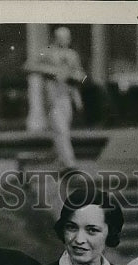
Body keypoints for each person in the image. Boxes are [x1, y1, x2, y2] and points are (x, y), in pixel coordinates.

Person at [25, 26, 86, 172]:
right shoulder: (47, 53)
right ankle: (69, 164)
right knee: (61, 130)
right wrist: (50, 71)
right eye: (62, 37)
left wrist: (76, 84)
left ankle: (58, 160)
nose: (66, 40)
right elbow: (28, 66)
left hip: (67, 97)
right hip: (53, 98)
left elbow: (82, 75)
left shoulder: (72, 55)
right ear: (55, 38)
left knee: (62, 132)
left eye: (67, 37)